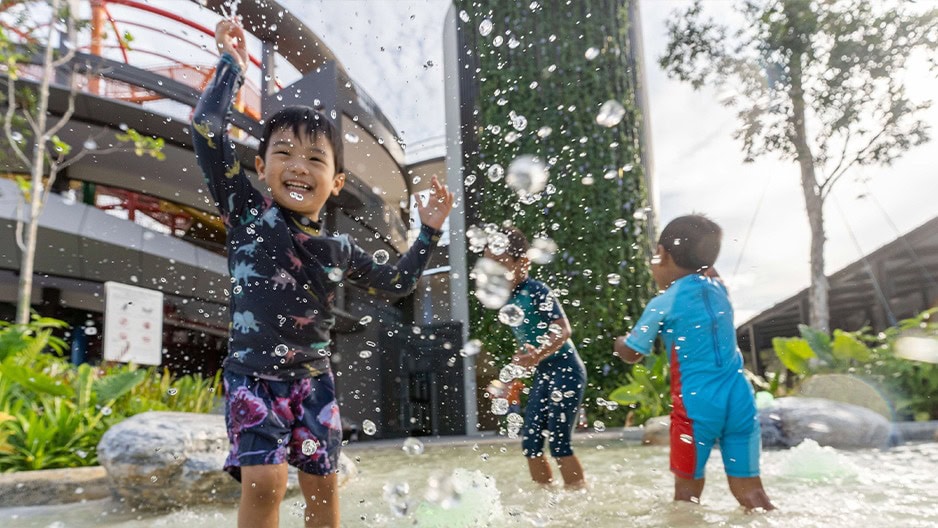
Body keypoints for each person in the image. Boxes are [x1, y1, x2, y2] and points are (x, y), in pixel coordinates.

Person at [192, 20, 454, 528]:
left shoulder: (338, 250)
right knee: (265, 484)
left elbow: (399, 282)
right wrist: (230, 66)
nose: (298, 166)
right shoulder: (246, 213)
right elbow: (206, 129)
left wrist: (430, 232)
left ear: (335, 183)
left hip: (314, 385)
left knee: (322, 488)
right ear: (263, 166)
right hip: (253, 379)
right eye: (284, 153)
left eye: (315, 158)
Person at [612, 214, 775, 511]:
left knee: (686, 496)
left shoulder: (664, 302)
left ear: (662, 254)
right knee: (752, 493)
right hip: (740, 400)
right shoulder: (720, 289)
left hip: (696, 407)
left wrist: (620, 342)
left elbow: (633, 352)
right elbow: (710, 269)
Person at [484, 227, 587, 489]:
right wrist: (510, 381)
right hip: (544, 372)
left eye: (501, 263)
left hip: (566, 369)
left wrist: (537, 354)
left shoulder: (537, 290)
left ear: (524, 262)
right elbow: (525, 351)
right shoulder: (509, 298)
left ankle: (578, 496)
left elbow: (564, 329)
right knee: (530, 443)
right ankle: (545, 498)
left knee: (559, 442)